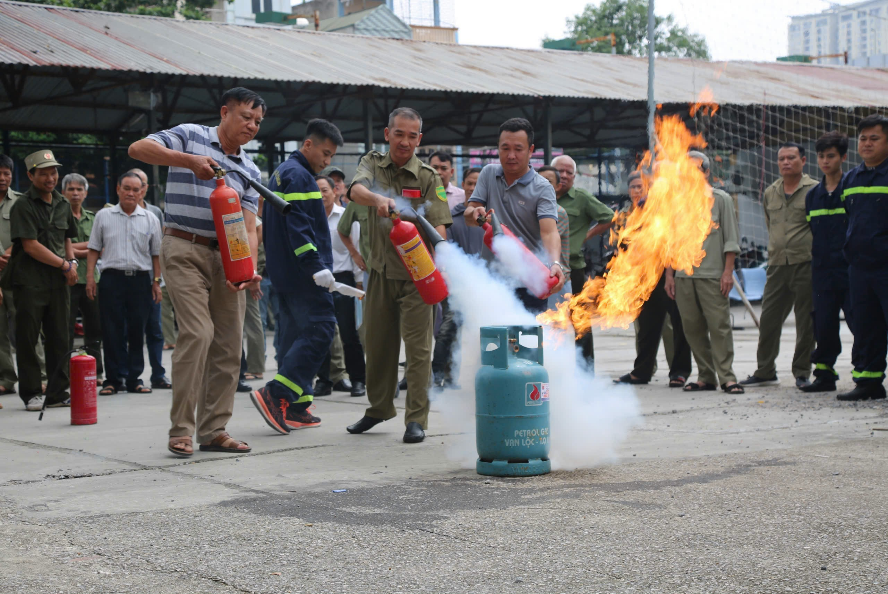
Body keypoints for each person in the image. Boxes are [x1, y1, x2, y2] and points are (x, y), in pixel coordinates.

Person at [128, 87, 264, 457]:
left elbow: (249, 227)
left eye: (257, 121)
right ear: (224, 112)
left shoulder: (249, 169)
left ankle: (214, 429)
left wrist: (247, 268)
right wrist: (188, 161)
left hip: (229, 257)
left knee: (228, 344)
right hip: (184, 247)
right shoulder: (190, 136)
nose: (251, 125)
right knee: (199, 333)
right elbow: (138, 149)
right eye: (245, 116)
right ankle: (181, 429)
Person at [344, 107, 452, 444]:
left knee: (418, 350)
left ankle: (416, 419)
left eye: (412, 135)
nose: (405, 141)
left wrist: (438, 261)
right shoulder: (372, 164)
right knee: (377, 345)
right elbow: (355, 191)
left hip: (417, 276)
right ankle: (378, 409)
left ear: (420, 139)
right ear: (388, 133)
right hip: (379, 273)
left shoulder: (428, 177)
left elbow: (439, 226)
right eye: (399, 133)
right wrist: (378, 198)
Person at [250, 118, 344, 434]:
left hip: (284, 273)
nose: (327, 162)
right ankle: (277, 393)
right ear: (308, 145)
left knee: (294, 335)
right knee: (321, 328)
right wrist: (316, 267)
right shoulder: (300, 177)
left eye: (332, 156)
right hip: (303, 274)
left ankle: (297, 404)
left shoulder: (282, 173)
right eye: (325, 153)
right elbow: (300, 228)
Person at [464, 118, 567, 314]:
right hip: (492, 281)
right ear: (498, 149)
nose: (511, 155)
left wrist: (554, 263)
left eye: (518, 149)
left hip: (530, 281)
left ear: (531, 150)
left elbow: (549, 232)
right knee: (491, 341)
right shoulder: (488, 174)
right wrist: (474, 212)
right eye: (505, 148)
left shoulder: (543, 187)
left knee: (526, 342)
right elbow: (470, 214)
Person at [2, 150, 78, 411]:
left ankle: (57, 392)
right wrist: (65, 264)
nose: (50, 178)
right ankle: (32, 392)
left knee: (60, 337)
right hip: (29, 282)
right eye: (43, 173)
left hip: (58, 283)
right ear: (31, 175)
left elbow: (67, 238)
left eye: (53, 172)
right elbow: (31, 245)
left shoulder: (63, 203)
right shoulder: (23, 205)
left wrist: (73, 264)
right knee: (28, 338)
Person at [740, 143, 818, 389]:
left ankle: (802, 371)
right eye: (781, 158)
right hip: (775, 266)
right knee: (770, 319)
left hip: (805, 263)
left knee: (806, 322)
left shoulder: (815, 190)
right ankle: (765, 370)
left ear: (803, 161)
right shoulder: (771, 192)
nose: (786, 162)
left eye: (791, 158)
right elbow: (770, 224)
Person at [665, 152, 743, 394]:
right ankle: (705, 376)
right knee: (692, 328)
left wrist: (727, 272)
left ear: (706, 172)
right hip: (683, 276)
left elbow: (730, 240)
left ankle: (727, 377)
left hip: (712, 275)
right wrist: (669, 275)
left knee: (719, 326)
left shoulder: (720, 200)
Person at [87, 172, 162, 395]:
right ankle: (112, 379)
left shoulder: (150, 219)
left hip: (140, 281)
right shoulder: (103, 215)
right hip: (111, 279)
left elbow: (156, 254)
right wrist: (91, 278)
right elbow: (93, 248)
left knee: (137, 330)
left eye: (135, 189)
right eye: (126, 188)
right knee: (111, 330)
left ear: (142, 192)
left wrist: (157, 282)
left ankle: (135, 378)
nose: (131, 193)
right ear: (118, 189)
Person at [616, 171, 692, 387]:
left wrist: (670, 274)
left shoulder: (667, 210)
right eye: (634, 187)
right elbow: (624, 248)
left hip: (667, 275)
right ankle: (641, 372)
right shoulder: (628, 215)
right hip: (642, 277)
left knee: (678, 324)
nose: (638, 190)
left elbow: (672, 244)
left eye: (642, 186)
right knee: (646, 327)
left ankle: (679, 372)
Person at [837, 114, 888, 401]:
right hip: (859, 268)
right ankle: (869, 382)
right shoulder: (851, 179)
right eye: (863, 138)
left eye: (875, 138)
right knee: (865, 327)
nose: (867, 143)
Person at [552, 155, 614, 368]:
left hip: (573, 270)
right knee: (550, 322)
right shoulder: (541, 196)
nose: (565, 175)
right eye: (561, 171)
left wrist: (585, 236)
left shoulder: (581, 198)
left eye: (570, 172)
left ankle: (585, 374)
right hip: (543, 270)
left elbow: (609, 217)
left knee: (581, 324)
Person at [803, 132, 852, 393]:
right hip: (822, 271)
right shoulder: (813, 196)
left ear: (843, 157)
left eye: (830, 155)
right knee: (823, 323)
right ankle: (824, 375)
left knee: (861, 322)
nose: (825, 161)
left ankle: (867, 375)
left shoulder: (852, 189)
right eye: (821, 156)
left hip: (851, 270)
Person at [431, 167, 484, 388]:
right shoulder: (451, 219)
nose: (473, 188)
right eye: (470, 183)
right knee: (447, 330)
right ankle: (439, 377)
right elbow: (446, 252)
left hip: (487, 286)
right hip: (457, 286)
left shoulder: (491, 219)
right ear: (463, 185)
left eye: (477, 184)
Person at [316, 174, 365, 397]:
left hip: (343, 279)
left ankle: (358, 380)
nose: (321, 194)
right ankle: (324, 380)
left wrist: (358, 281)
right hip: (318, 280)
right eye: (316, 190)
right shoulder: (310, 218)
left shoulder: (345, 216)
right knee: (320, 331)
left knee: (348, 332)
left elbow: (356, 250)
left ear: (335, 191)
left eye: (325, 190)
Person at [128, 168, 171, 389]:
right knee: (133, 330)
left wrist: (159, 280)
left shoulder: (155, 212)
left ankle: (159, 374)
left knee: (155, 330)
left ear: (145, 188)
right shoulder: (115, 212)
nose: (138, 189)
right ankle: (131, 376)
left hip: (152, 279)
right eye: (133, 184)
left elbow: (160, 247)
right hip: (129, 279)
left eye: (142, 184)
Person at [62, 173, 104, 382]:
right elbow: (58, 247)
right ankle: (67, 374)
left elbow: (102, 247)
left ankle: (96, 372)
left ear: (86, 193)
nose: (75, 193)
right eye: (71, 189)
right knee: (65, 329)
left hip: (91, 280)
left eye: (79, 189)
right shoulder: (58, 217)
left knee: (94, 328)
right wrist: (88, 248)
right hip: (66, 281)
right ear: (63, 192)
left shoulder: (94, 218)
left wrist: (72, 250)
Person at [0, 153, 22, 396]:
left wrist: (9, 251)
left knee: (27, 327)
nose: (2, 177)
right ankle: (6, 378)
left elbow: (29, 233)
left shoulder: (20, 202)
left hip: (17, 274)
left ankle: (39, 377)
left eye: (6, 173)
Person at [537, 166, 571, 271]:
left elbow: (542, 241)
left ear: (558, 186)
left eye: (548, 181)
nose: (542, 185)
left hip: (557, 278)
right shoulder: (534, 208)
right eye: (539, 181)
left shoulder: (557, 212)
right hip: (539, 276)